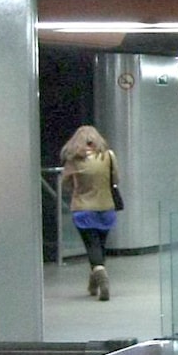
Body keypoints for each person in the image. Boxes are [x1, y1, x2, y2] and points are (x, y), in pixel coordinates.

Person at [58, 125, 119, 301]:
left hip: (83, 208)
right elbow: (116, 179)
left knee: (91, 245)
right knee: (100, 245)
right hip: (106, 207)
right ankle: (95, 280)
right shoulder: (109, 156)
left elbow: (66, 183)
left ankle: (99, 272)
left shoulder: (74, 160)